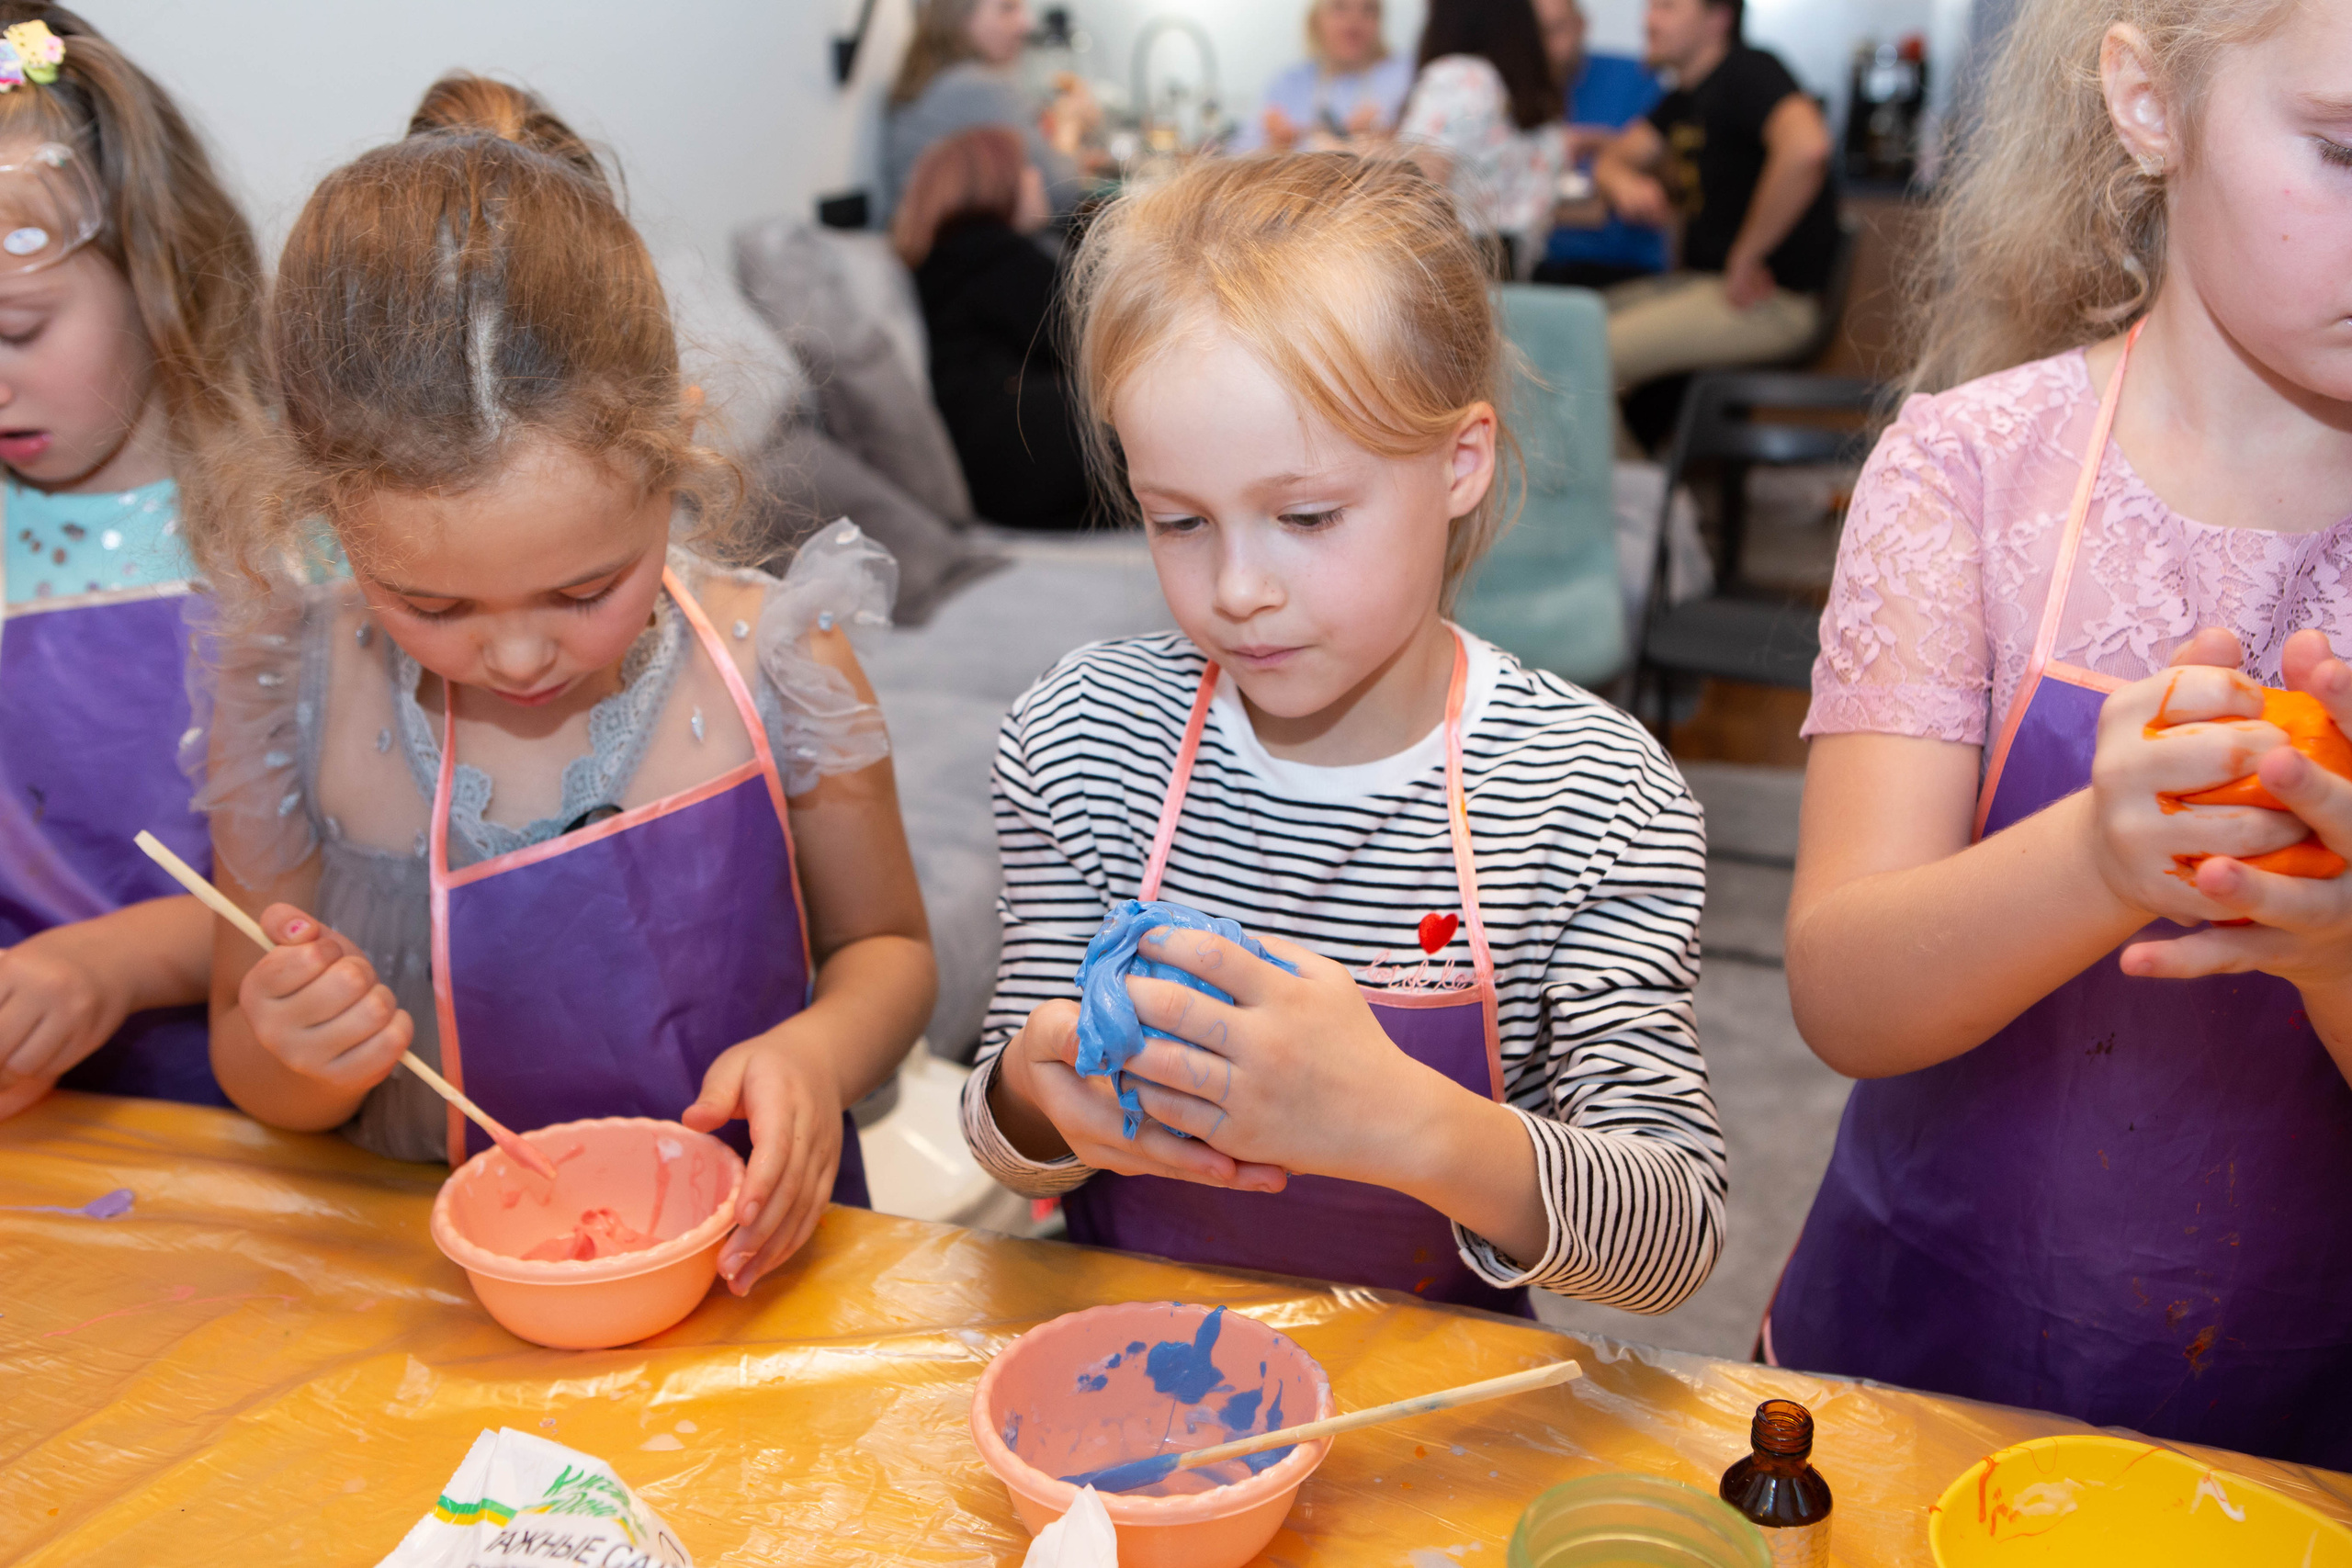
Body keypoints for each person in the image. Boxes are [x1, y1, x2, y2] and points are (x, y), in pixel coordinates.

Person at [185, 77, 936, 1296]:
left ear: (676, 459)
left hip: (748, 1282)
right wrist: (298, 1056)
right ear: (327, 517)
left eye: (586, 588)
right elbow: (247, 1058)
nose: (523, 657)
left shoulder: (780, 659)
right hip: (423, 1314)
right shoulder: (292, 692)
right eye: (433, 608)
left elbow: (891, 951)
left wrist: (817, 1053)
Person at [958, 153, 1725, 1316]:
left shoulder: (1593, 799)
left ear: (1459, 462)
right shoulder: (1081, 741)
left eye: (1307, 516)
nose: (1238, 590)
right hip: (1133, 1361)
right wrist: (1031, 1092)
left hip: (1426, 1396)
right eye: (1178, 522)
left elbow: (1671, 1237)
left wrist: (1401, 1125)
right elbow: (1008, 1141)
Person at [1776, 0, 2352, 1467]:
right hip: (1923, 1377)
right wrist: (2095, 859)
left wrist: (2337, 950)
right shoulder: (1969, 476)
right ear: (2151, 103)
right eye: (2347, 152)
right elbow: (1845, 992)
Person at [0, 6, 267, 1122]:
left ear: (161, 271)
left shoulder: (284, 541)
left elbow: (356, 897)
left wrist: (107, 965)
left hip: (263, 1124)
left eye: (19, 330)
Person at [1591, 0, 1837, 387]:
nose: (1649, 20)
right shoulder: (1682, 99)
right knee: (1574, 325)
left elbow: (1807, 148)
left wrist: (1747, 254)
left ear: (1718, 18)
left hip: (1770, 298)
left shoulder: (1749, 71)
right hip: (1707, 284)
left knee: (1588, 353)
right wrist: (1621, 180)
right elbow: (1612, 158)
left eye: (1667, 7)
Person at [893, 127, 1090, 531]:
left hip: (993, 466)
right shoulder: (994, 254)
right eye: (1027, 169)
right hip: (1021, 450)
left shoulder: (950, 259)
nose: (1038, 179)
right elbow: (1090, 339)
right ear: (998, 182)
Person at [1396, 0, 1573, 276]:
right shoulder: (1537, 91)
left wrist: (1344, 153)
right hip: (1514, 274)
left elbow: (1418, 186)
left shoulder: (1457, 78)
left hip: (1453, 270)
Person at [883, 0, 1091, 223]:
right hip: (971, 240)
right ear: (960, 17)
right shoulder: (977, 86)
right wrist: (1071, 127)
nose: (1027, 24)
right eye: (1007, 8)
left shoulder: (938, 81)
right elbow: (1062, 192)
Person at [1532, 0, 1668, 290]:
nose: (1546, 44)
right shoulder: (1513, 90)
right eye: (1535, 33)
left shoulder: (1637, 76)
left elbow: (1669, 171)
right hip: (1539, 267)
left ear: (1581, 25)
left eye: (1556, 29)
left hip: (1623, 267)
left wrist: (1606, 146)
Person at [1228, 0, 1414, 155]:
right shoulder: (1288, 83)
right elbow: (1238, 155)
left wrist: (1389, 137)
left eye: (1368, 9)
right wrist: (1275, 148)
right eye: (1340, 7)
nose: (1353, 21)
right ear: (1316, 19)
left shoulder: (1406, 75)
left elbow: (1424, 142)